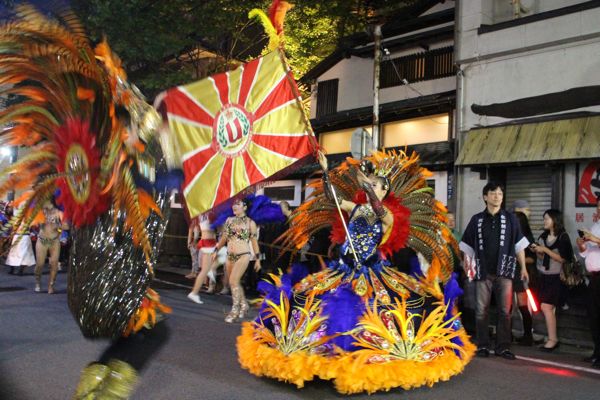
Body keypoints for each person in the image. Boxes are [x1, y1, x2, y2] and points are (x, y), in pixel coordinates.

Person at [237, 151, 474, 394]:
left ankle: (364, 358)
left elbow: (379, 209)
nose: (369, 188)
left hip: (370, 270)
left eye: (375, 186)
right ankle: (318, 355)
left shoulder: (387, 215)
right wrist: (326, 171)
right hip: (342, 267)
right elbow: (335, 200)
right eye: (369, 185)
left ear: (383, 191)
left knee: (369, 309)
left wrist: (367, 185)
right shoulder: (357, 208)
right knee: (312, 299)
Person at [460, 182, 529, 360]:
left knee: (505, 310)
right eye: (493, 193)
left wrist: (523, 268)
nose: (497, 196)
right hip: (483, 271)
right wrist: (468, 266)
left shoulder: (511, 219)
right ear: (485, 197)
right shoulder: (477, 220)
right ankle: (482, 344)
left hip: (505, 271)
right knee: (481, 310)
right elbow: (467, 246)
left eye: (500, 193)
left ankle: (503, 346)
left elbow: (519, 245)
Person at [212, 198, 261, 322]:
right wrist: (216, 250)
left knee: (233, 281)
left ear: (245, 207)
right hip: (230, 256)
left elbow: (254, 243)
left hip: (243, 255)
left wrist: (258, 260)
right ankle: (244, 304)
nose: (234, 206)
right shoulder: (229, 220)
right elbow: (223, 238)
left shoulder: (251, 223)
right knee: (235, 282)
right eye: (234, 204)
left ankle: (234, 310)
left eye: (238, 204)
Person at [531, 209, 572, 352]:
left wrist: (545, 250)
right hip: (545, 275)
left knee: (546, 307)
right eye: (544, 219)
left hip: (557, 277)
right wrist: (538, 251)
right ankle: (552, 338)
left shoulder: (563, 236)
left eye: (547, 219)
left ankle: (552, 339)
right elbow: (543, 259)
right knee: (547, 307)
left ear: (555, 220)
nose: (544, 222)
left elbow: (563, 259)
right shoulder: (543, 235)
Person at [577, 196, 600, 368]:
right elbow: (587, 253)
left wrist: (595, 239)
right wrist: (582, 245)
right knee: (594, 316)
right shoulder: (596, 226)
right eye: (598, 206)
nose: (598, 210)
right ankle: (597, 352)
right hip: (594, 277)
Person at [513, 209, 537, 345]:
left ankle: (528, 335)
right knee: (507, 306)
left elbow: (532, 259)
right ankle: (507, 334)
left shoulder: (527, 238)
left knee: (522, 305)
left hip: (521, 273)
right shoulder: (510, 235)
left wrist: (519, 260)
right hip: (510, 272)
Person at [34, 200, 67, 294]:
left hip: (54, 241)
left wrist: (58, 227)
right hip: (42, 241)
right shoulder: (40, 212)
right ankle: (37, 281)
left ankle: (51, 285)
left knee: (54, 263)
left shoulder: (59, 213)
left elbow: (66, 226)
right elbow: (33, 224)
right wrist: (39, 222)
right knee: (39, 264)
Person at [187, 213, 219, 304]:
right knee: (209, 268)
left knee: (206, 269)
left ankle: (202, 289)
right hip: (209, 243)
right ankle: (207, 288)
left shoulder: (200, 216)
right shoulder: (208, 215)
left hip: (206, 242)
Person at [5, 203, 36, 276]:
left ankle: (20, 271)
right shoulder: (16, 217)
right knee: (13, 253)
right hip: (16, 236)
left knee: (24, 254)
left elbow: (32, 225)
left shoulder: (29, 217)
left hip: (25, 237)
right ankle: (12, 269)